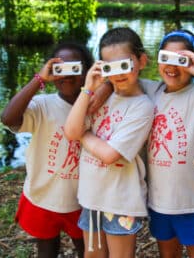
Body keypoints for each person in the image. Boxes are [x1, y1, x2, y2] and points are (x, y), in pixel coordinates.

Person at [64, 27, 155, 258]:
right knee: (92, 255)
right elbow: (70, 130)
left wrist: (83, 135)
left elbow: (109, 154)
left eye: (124, 65)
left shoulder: (142, 106)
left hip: (120, 201)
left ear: (141, 61)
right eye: (109, 67)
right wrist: (88, 88)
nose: (118, 74)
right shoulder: (99, 97)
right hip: (90, 196)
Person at [0, 41, 95, 257]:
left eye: (75, 68)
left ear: (87, 71)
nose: (67, 75)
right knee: (46, 250)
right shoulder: (42, 105)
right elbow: (8, 118)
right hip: (43, 197)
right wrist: (39, 79)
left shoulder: (97, 106)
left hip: (83, 200)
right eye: (59, 69)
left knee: (86, 250)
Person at [139, 29, 194, 258]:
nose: (172, 67)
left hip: (193, 202)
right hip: (159, 201)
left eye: (181, 60)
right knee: (167, 252)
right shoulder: (152, 91)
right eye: (166, 58)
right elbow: (117, 79)